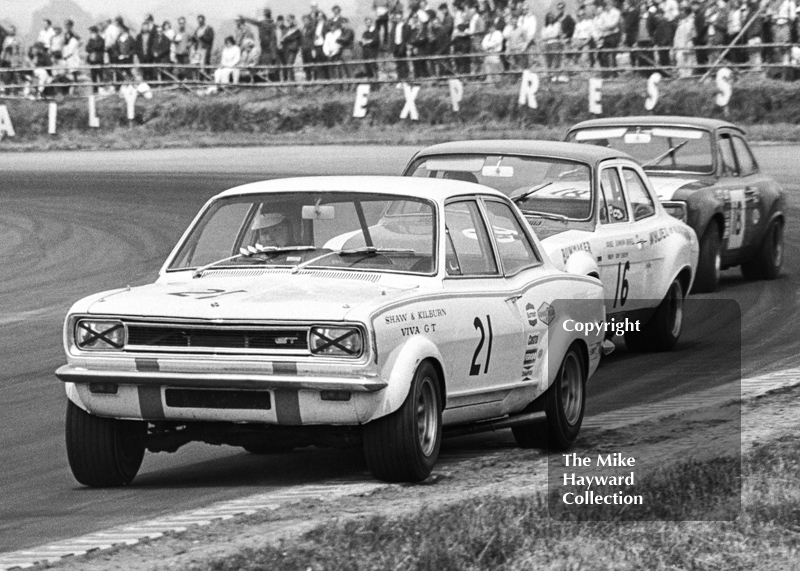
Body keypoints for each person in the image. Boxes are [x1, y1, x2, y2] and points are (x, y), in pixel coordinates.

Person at [281, 15, 302, 81]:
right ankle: (290, 80)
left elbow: (291, 37)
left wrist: (285, 39)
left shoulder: (296, 29)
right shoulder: (288, 29)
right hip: (287, 49)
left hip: (293, 49)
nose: (288, 22)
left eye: (289, 20)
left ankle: (292, 81)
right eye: (287, 20)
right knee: (288, 65)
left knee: (290, 64)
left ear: (293, 19)